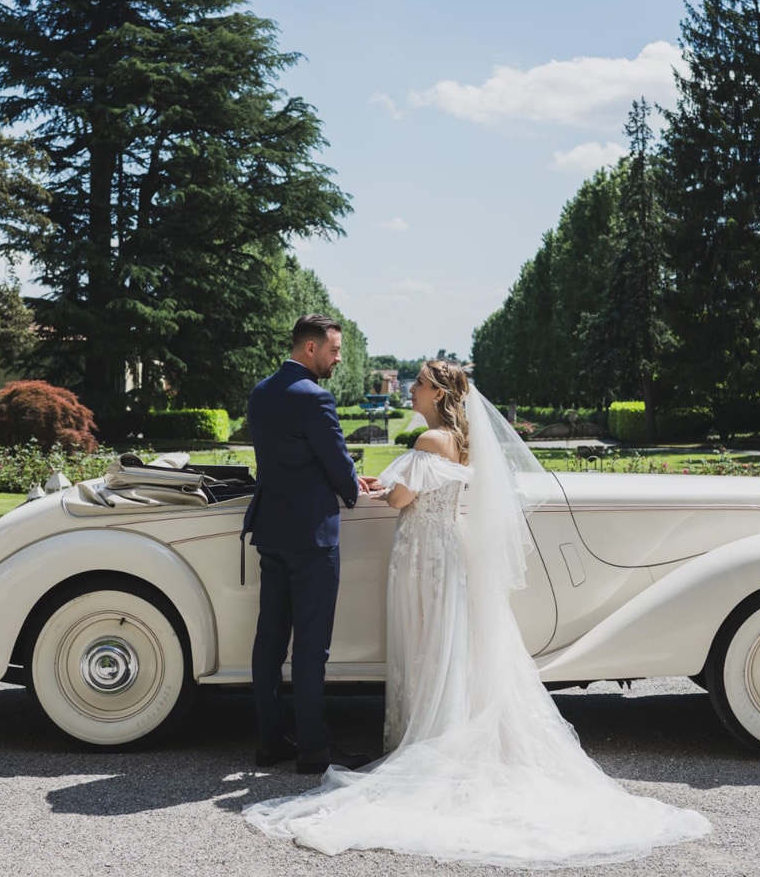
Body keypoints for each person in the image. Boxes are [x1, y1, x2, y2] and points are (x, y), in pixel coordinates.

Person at [244, 359, 710, 868]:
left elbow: (402, 499)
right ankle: (445, 729)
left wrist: (380, 487)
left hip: (423, 554)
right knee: (449, 643)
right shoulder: (460, 441)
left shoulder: (429, 441)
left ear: (439, 394)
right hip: (449, 549)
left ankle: (427, 737)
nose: (412, 389)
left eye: (420, 384)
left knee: (425, 642)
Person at [242, 314, 378, 775]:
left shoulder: (261, 392)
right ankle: (314, 749)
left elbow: (290, 457)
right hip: (312, 538)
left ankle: (269, 741)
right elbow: (336, 462)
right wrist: (355, 486)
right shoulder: (315, 397)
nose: (338, 359)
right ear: (311, 348)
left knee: (269, 640)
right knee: (311, 645)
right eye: (335, 350)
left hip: (271, 530)